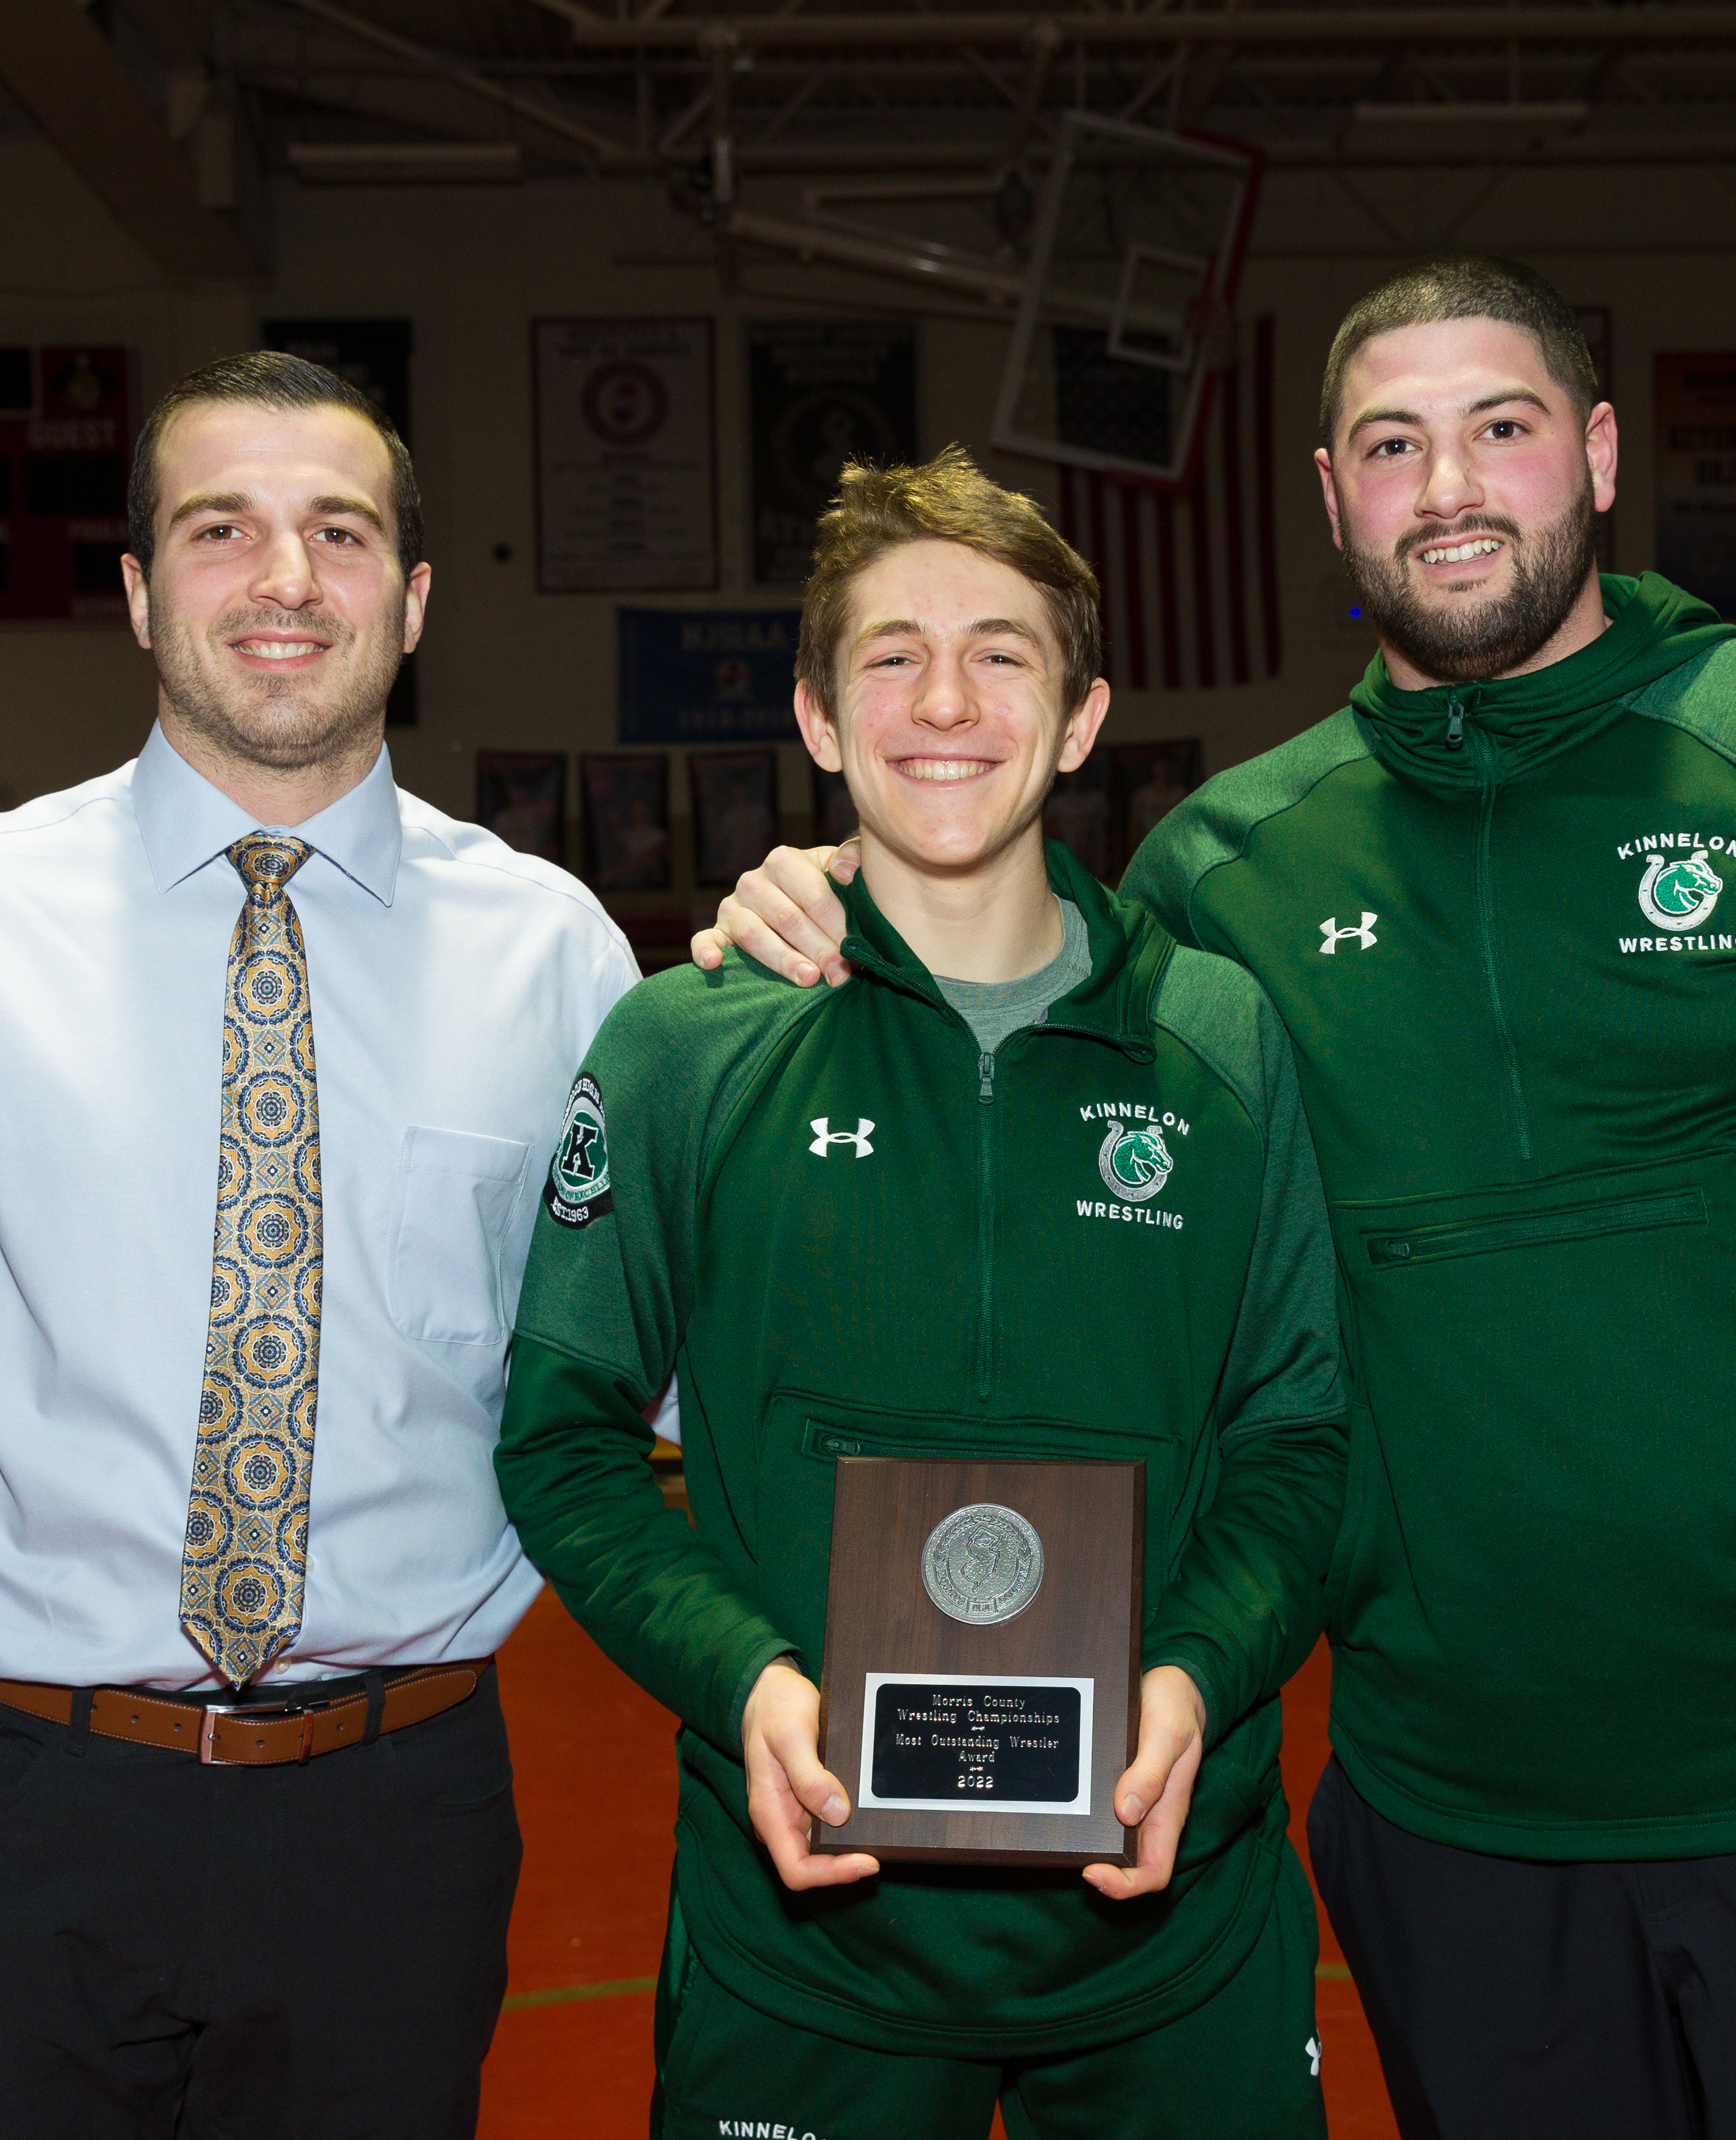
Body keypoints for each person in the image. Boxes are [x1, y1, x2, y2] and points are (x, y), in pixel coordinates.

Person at [703, 256, 1736, 2136]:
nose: (1452, 485)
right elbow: (1074, 1165)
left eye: (1504, 428)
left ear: (1603, 454)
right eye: (1395, 445)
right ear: (1331, 493)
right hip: (1455, 1810)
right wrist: (816, 899)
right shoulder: (1223, 862)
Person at [0, 352, 639, 2136]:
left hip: (398, 1809)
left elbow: (640, 1366)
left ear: (413, 600)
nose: (286, 578)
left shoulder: (560, 956)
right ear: (134, 591)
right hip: (19, 1796)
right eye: (221, 529)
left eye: (340, 532)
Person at [499, 451, 1349, 2140]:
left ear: (1087, 714)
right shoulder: (688, 1047)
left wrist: (1192, 1675)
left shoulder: (1229, 1042)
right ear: (818, 717)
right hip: (804, 1942)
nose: (944, 701)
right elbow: (563, 1442)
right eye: (891, 656)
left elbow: (1301, 1441)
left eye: (1003, 653)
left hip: (1177, 1931)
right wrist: (745, 1679)